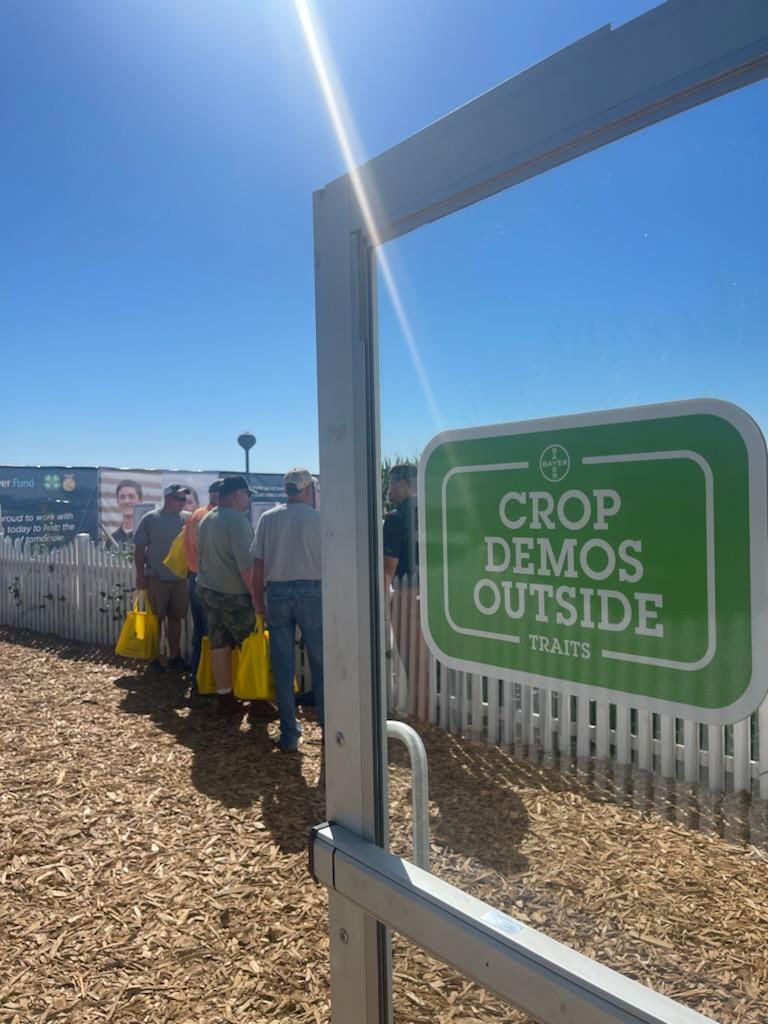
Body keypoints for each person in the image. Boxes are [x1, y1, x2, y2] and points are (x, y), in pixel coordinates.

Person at [253, 467, 324, 752]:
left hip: (278, 592)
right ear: (308, 489)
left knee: (282, 665)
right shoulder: (320, 520)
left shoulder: (268, 518)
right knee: (320, 661)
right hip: (313, 591)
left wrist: (258, 601)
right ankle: (329, 728)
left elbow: (258, 563)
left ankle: (289, 734)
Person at [196, 475, 257, 716]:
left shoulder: (207, 519)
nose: (249, 500)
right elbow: (247, 567)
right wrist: (257, 598)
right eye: (247, 495)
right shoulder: (237, 522)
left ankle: (224, 696)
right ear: (237, 494)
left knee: (219, 643)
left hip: (208, 591)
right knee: (250, 645)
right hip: (234, 595)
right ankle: (258, 699)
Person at [383, 463, 428, 719]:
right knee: (427, 658)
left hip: (406, 594)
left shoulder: (395, 518)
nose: (389, 491)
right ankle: (425, 711)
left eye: (391, 485)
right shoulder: (433, 511)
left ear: (402, 485)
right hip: (434, 593)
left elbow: (388, 568)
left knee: (412, 658)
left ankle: (419, 713)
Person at [133, 483, 191, 672]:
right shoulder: (151, 518)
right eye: (179, 498)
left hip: (180, 578)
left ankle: (174, 657)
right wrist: (140, 575)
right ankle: (154, 657)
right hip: (156, 577)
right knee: (156, 619)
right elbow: (139, 548)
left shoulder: (188, 519)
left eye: (184, 499)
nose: (182, 502)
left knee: (176, 618)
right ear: (167, 498)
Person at [183, 479, 222, 686]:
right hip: (210, 581)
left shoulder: (196, 514)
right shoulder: (214, 516)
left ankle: (197, 675)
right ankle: (211, 679)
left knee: (199, 631)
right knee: (213, 632)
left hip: (193, 576)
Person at [111, 479, 143, 544]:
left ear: (140, 501)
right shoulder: (112, 539)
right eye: (122, 497)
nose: (126, 501)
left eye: (131, 497)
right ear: (117, 501)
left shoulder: (149, 535)